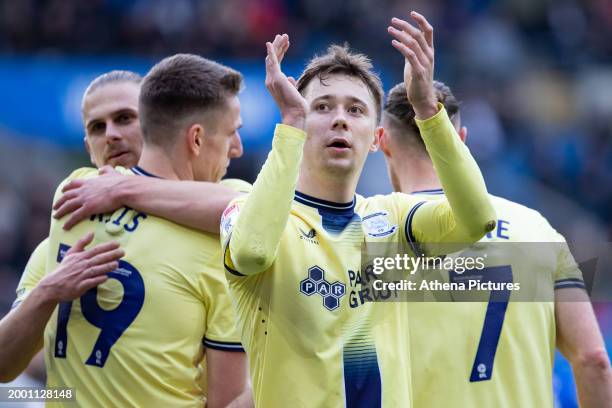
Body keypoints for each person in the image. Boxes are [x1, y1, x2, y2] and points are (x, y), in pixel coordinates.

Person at [219, 12, 496, 407]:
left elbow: (476, 220)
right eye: (322, 108)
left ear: (374, 139)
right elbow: (252, 253)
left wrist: (427, 110)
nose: (339, 121)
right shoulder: (244, 212)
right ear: (301, 121)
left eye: (355, 110)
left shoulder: (395, 218)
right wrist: (291, 124)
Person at [4, 57, 252, 407]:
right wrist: (48, 292)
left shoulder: (221, 222)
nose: (112, 135)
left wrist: (123, 190)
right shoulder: (68, 228)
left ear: (153, 122)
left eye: (125, 118)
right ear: (88, 147)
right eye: (96, 128)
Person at [379, 80, 612, 407]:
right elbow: (593, 360)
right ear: (460, 140)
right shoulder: (538, 230)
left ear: (382, 141)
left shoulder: (372, 234)